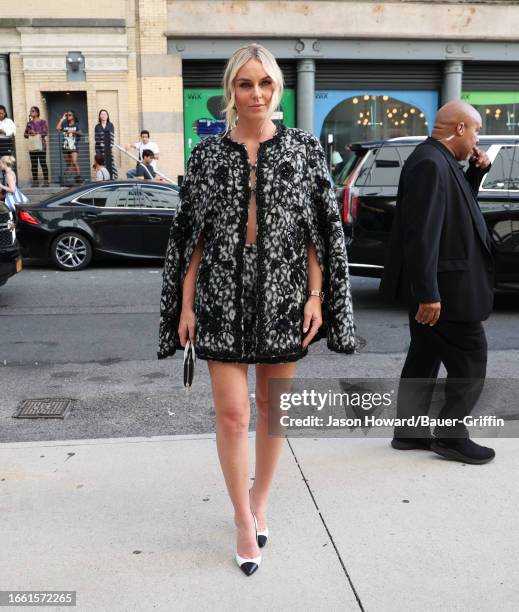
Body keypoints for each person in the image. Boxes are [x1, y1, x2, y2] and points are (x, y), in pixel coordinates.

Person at [158, 44, 355, 576]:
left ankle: (261, 498)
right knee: (232, 413)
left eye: (265, 83)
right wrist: (184, 304)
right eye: (245, 84)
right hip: (219, 295)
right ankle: (243, 519)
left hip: (285, 295)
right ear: (230, 91)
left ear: (278, 90)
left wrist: (316, 296)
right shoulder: (207, 156)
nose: (256, 94)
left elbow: (319, 233)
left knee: (273, 408)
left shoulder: (303, 150)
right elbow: (191, 238)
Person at [380, 100, 496, 465]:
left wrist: (475, 175)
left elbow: (456, 213)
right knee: (471, 359)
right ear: (460, 128)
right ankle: (450, 436)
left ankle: (410, 431)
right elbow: (422, 234)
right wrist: (428, 293)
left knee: (425, 356)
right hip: (446, 290)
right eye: (476, 130)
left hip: (443, 286)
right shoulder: (431, 162)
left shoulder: (439, 160)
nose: (477, 139)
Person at [24, 106, 49, 187]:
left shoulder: (43, 122)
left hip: (41, 145)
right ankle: (35, 182)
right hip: (32, 145)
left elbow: (45, 132)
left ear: (37, 113)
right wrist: (29, 132)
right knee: (34, 164)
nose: (31, 112)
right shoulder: (29, 123)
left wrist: (36, 132)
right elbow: (25, 135)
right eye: (31, 111)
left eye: (33, 111)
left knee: (43, 163)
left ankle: (46, 181)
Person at [55, 110, 82, 184]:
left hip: (73, 147)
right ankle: (67, 179)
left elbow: (80, 132)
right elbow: (57, 128)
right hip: (65, 147)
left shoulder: (76, 125)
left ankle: (79, 178)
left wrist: (72, 132)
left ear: (73, 116)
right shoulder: (64, 125)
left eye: (69, 115)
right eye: (67, 115)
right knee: (68, 164)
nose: (68, 116)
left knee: (74, 162)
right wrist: (62, 119)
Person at [94, 109, 117, 179]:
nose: (103, 116)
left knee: (110, 163)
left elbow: (112, 136)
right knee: (101, 164)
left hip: (108, 148)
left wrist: (108, 144)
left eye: (105, 114)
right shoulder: (97, 126)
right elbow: (96, 137)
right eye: (102, 114)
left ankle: (112, 178)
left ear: (107, 116)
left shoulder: (110, 125)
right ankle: (101, 179)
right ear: (99, 116)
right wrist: (101, 143)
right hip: (99, 149)